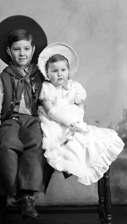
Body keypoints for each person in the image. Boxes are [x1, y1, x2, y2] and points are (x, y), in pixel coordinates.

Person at [0, 15, 53, 220]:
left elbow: (54, 98)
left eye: (26, 49)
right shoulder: (5, 76)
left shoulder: (42, 74)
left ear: (33, 50)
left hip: (33, 120)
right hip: (10, 120)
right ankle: (15, 192)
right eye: (16, 49)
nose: (21, 53)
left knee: (36, 143)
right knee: (7, 145)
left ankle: (26, 195)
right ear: (8, 51)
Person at [37, 42, 124, 185]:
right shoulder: (48, 88)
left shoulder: (74, 87)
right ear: (47, 73)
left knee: (92, 139)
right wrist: (68, 122)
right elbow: (50, 111)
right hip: (56, 122)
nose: (59, 74)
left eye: (63, 70)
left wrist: (78, 118)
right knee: (67, 144)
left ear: (68, 71)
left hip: (75, 121)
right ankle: (72, 162)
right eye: (54, 71)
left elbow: (80, 105)